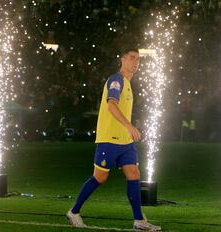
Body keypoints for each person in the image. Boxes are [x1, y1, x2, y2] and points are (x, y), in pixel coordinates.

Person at [66, 48, 161, 231]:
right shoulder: (116, 80)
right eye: (132, 58)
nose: (136, 62)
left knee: (134, 174)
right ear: (122, 60)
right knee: (100, 177)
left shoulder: (127, 84)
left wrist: (128, 131)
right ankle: (74, 211)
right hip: (110, 138)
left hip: (125, 142)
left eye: (138, 59)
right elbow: (111, 105)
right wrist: (130, 126)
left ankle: (139, 220)